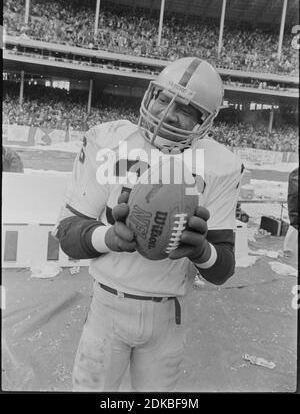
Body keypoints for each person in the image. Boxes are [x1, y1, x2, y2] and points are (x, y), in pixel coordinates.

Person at [54, 57, 243, 392]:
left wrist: (202, 251)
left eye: (185, 109)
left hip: (168, 315)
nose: (167, 112)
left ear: (206, 122)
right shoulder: (109, 141)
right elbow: (67, 234)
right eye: (162, 98)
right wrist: (108, 237)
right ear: (149, 94)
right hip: (107, 307)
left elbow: (223, 268)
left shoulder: (219, 165)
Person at [283, 167, 298, 258]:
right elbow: (294, 195)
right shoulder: (295, 175)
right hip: (296, 212)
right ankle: (289, 251)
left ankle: (289, 250)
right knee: (295, 224)